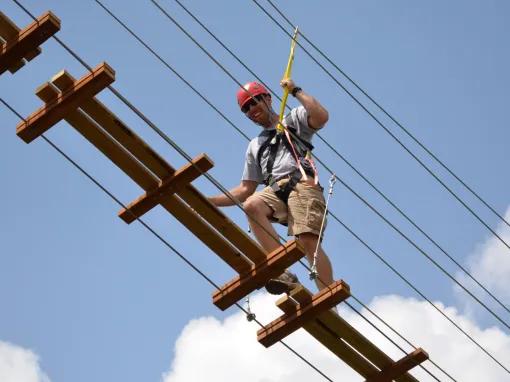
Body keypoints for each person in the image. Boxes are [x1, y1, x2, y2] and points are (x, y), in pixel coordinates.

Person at [209, 79, 334, 294]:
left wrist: (295, 90)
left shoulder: (293, 119)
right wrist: (210, 202)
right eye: (245, 109)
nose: (251, 110)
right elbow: (245, 189)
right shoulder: (255, 146)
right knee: (251, 204)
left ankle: (328, 298)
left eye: (254, 102)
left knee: (307, 242)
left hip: (301, 185)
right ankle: (282, 272)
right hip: (276, 191)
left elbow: (321, 117)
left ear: (267, 98)